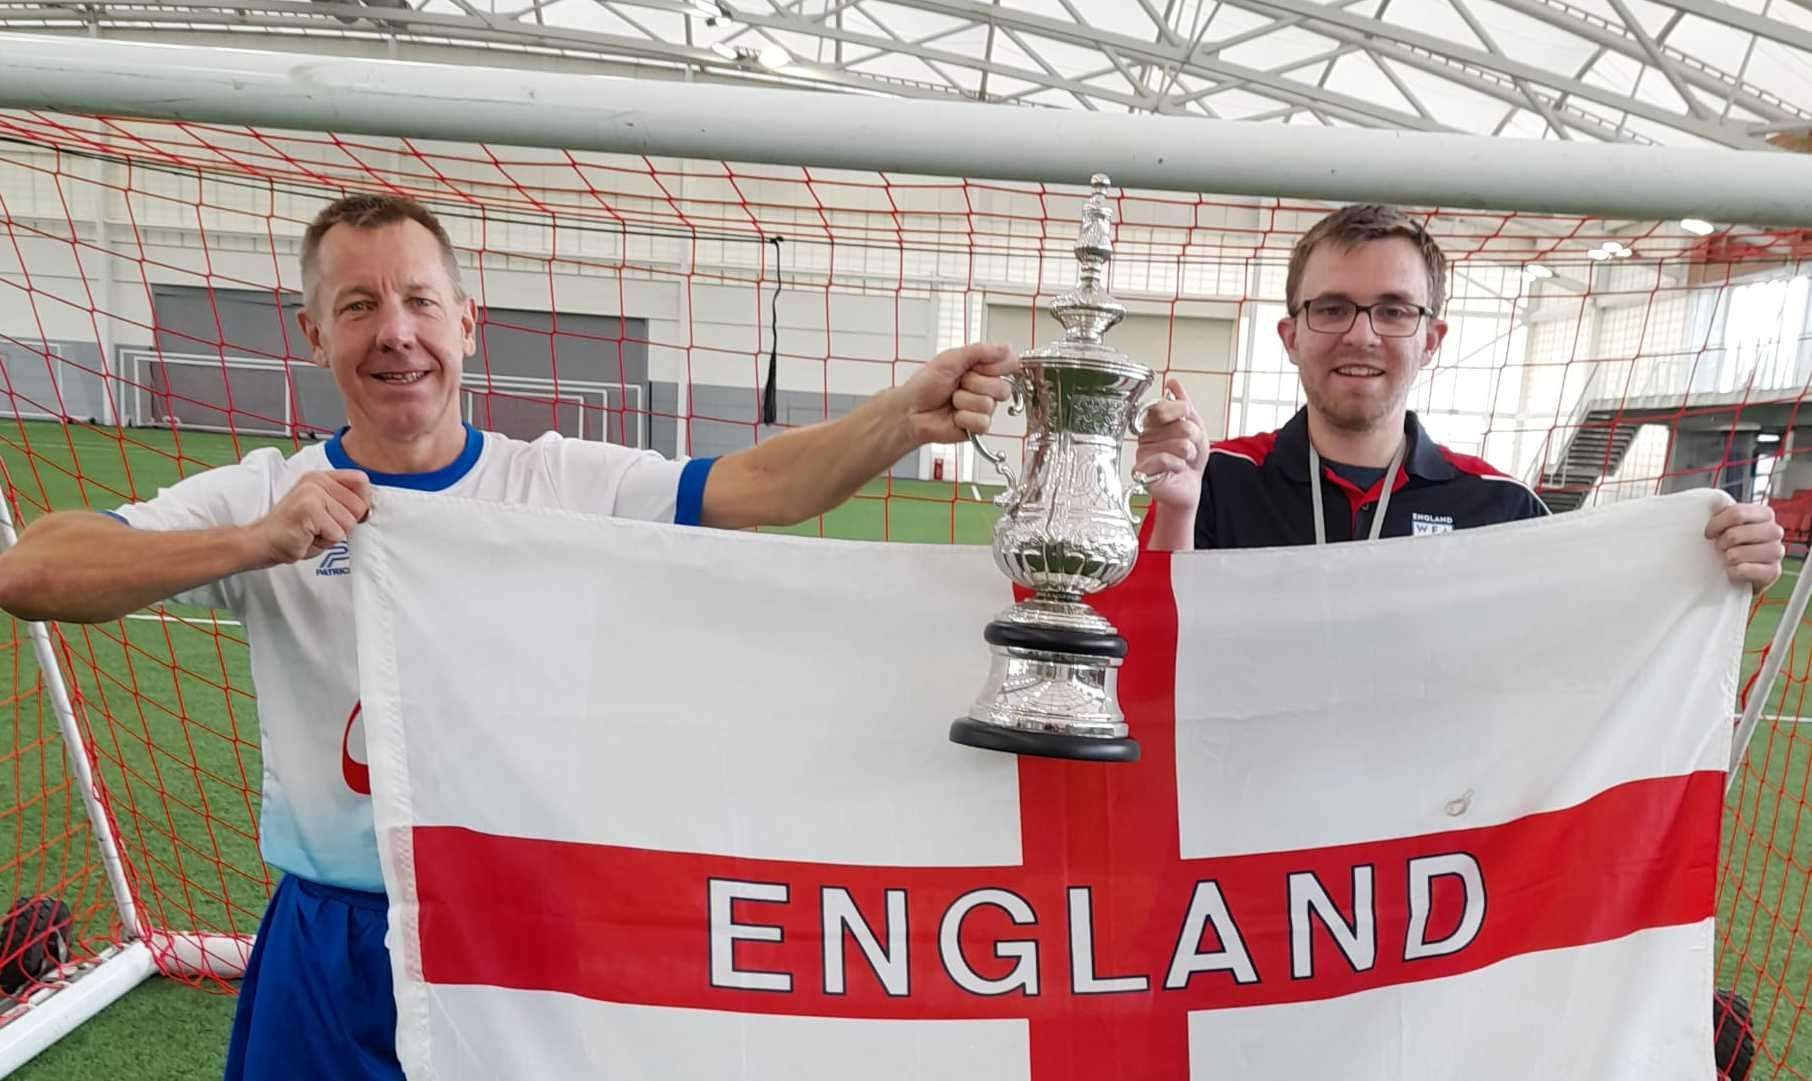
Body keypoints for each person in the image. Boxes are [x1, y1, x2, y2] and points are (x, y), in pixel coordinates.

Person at [0, 193, 1018, 1080]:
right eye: (358, 306)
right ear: (313, 333)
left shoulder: (556, 483)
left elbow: (755, 486)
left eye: (418, 300)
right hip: (334, 933)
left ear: (467, 322)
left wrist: (899, 417)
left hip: (519, 929)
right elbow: (36, 570)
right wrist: (252, 542)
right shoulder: (269, 493)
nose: (394, 331)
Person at [1132, 203, 1784, 589]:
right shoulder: (1217, 482)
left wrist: (1715, 577)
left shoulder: (1502, 509)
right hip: (1255, 817)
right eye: (1331, 308)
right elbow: (1155, 653)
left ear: (1431, 337)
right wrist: (1179, 513)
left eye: (1393, 311)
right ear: (1291, 333)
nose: (1361, 335)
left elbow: (1584, 650)